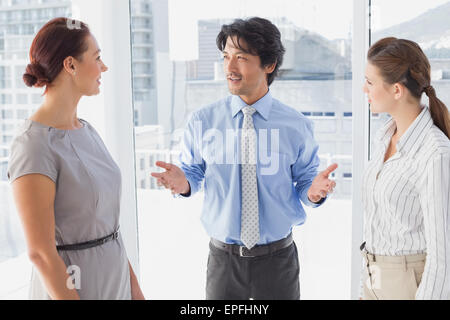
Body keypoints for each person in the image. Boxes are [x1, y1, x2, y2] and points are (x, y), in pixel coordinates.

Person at [151, 17, 337, 300]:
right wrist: (183, 182)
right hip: (223, 262)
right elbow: (193, 172)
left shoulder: (296, 125)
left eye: (241, 57)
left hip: (278, 261)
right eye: (226, 56)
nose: (230, 67)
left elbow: (305, 183)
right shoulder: (203, 120)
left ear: (269, 65)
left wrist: (313, 192)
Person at [7, 17, 144, 300]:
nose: (103, 67)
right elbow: (41, 252)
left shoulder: (88, 131)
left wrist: (135, 291)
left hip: (115, 282)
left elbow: (110, 230)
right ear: (70, 65)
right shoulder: (33, 145)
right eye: (97, 57)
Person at [361, 37, 450, 300]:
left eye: (370, 82)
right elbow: (375, 224)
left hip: (409, 284)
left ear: (397, 90)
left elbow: (443, 254)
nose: (363, 90)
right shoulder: (383, 137)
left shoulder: (435, 153)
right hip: (373, 278)